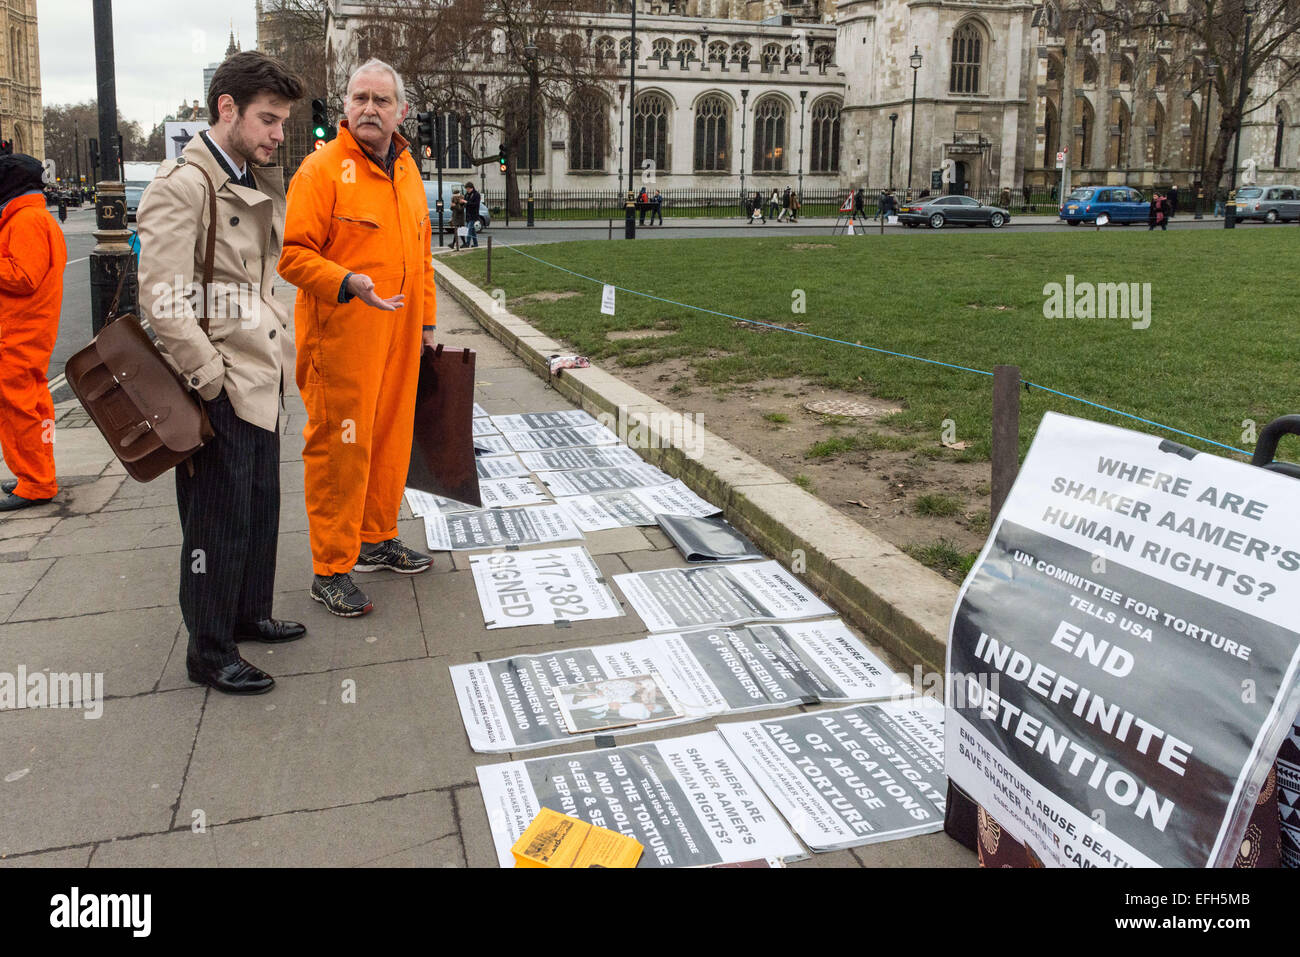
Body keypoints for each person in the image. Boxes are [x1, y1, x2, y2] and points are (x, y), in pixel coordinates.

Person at [136, 50, 306, 695]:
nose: (278, 134)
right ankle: (209, 651)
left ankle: (247, 613)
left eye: (283, 121)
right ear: (225, 109)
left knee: (260, 506)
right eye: (268, 119)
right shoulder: (183, 185)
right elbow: (160, 298)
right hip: (222, 380)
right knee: (216, 519)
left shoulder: (249, 175)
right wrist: (209, 378)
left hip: (262, 376)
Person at [279, 57, 438, 618]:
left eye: (382, 100)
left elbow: (421, 253)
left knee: (390, 440)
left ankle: (376, 538)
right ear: (345, 106)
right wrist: (345, 281)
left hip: (397, 336)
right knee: (340, 450)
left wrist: (425, 323)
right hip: (341, 341)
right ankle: (331, 568)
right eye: (359, 98)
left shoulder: (407, 168)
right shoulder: (319, 171)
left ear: (402, 111)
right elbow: (293, 257)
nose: (369, 109)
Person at [0, 154, 67, 512]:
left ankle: (36, 482)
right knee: (35, 405)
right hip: (30, 328)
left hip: (17, 331)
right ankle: (37, 473)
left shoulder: (24, 220)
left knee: (19, 409)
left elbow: (23, 276)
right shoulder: (34, 216)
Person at [462, 180, 481, 247]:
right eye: (466, 189)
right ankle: (475, 244)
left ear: (471, 188)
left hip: (474, 215)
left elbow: (475, 204)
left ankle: (467, 243)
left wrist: (466, 202)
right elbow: (465, 203)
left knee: (469, 229)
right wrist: (462, 203)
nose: (467, 190)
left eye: (468, 189)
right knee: (472, 231)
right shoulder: (467, 195)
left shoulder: (476, 195)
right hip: (468, 215)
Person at [449, 186, 465, 251]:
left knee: (458, 231)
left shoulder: (461, 200)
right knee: (458, 231)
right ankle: (464, 243)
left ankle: (453, 244)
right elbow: (452, 209)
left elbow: (461, 209)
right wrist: (452, 206)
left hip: (460, 218)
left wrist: (455, 206)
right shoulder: (454, 200)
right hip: (455, 217)